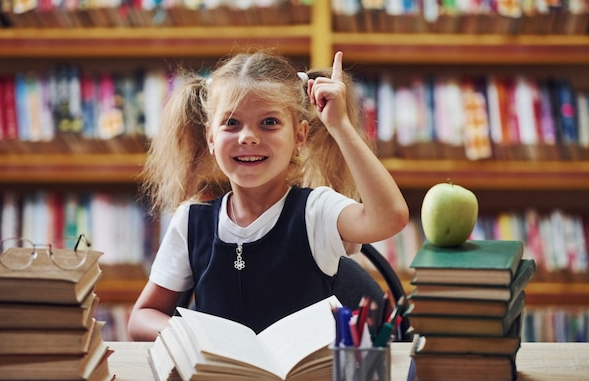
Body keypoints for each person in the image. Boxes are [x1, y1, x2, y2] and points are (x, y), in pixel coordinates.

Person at [127, 50, 409, 341]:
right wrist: (194, 336)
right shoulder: (190, 221)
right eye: (232, 123)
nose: (248, 137)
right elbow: (141, 318)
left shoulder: (317, 212)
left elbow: (390, 218)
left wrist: (339, 126)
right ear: (211, 137)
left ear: (299, 137)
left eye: (269, 122)